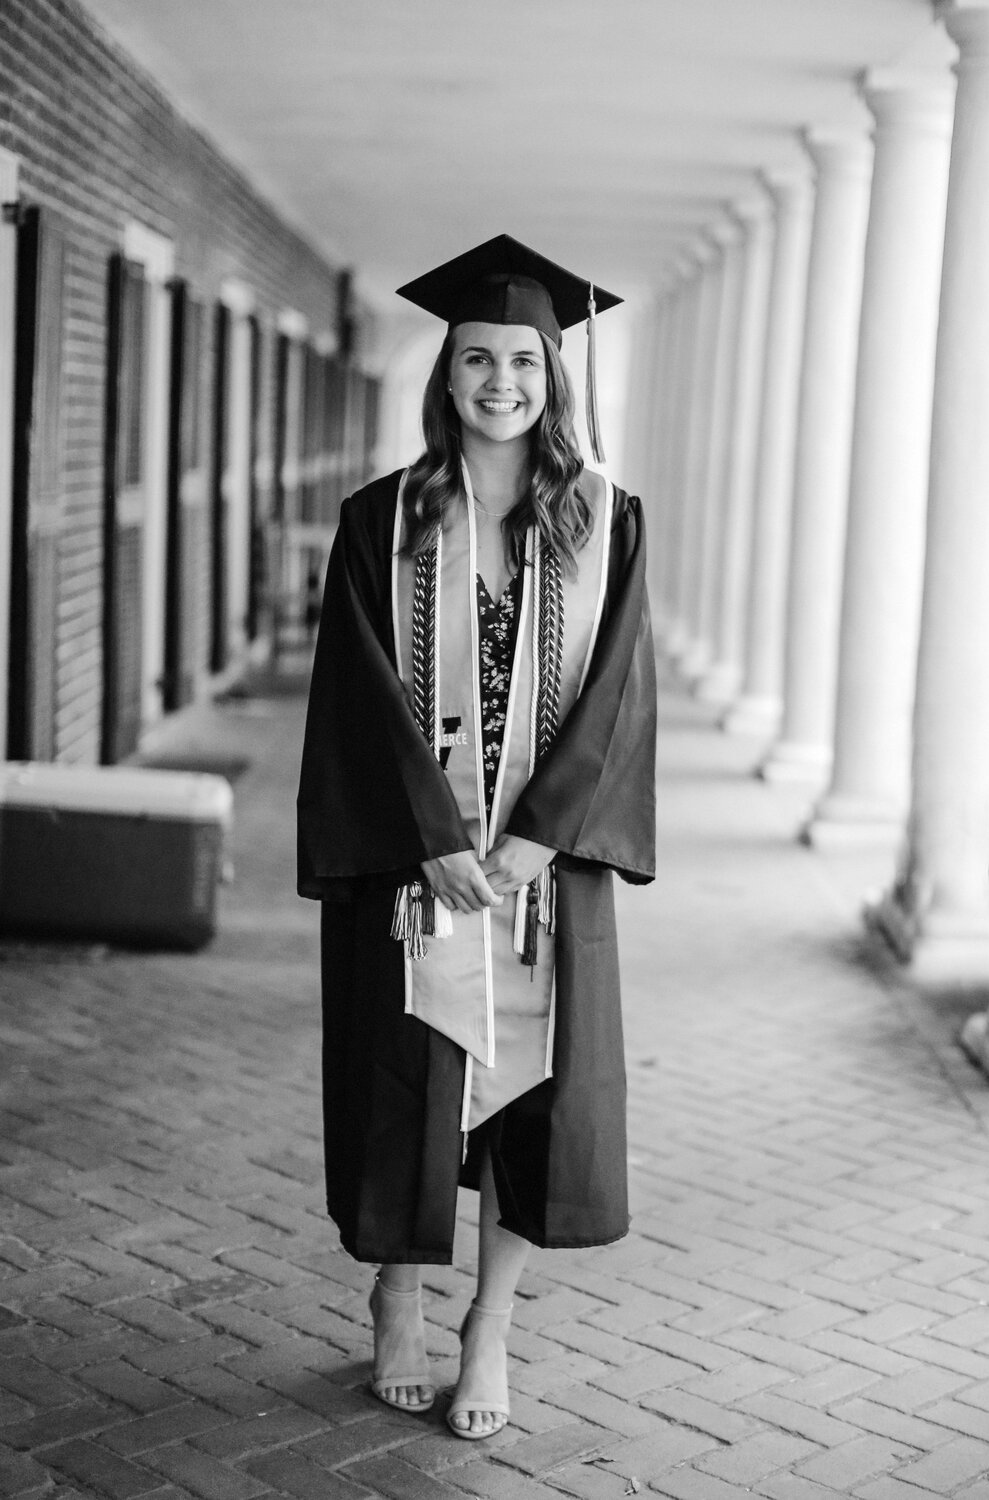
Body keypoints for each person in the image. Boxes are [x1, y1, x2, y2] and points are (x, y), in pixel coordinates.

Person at [297, 234, 656, 1440]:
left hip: (545, 872)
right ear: (443, 376)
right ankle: (397, 1301)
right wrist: (430, 833)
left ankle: (486, 1327)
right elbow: (353, 692)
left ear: (554, 377)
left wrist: (540, 839)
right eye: (475, 361)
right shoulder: (378, 521)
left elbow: (618, 693)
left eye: (522, 361)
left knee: (532, 1101)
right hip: (419, 868)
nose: (500, 382)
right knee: (409, 1087)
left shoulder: (609, 523)